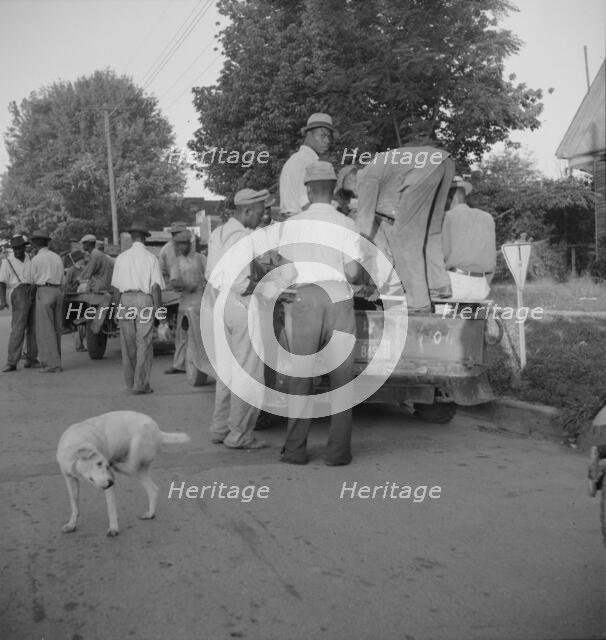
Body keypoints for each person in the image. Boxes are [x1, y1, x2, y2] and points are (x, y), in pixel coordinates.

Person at [274, 161, 362, 466]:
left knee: (301, 379)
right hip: (339, 299)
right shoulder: (347, 224)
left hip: (305, 299)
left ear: (308, 190)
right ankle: (338, 453)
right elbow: (352, 272)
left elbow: (284, 270)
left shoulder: (293, 224)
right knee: (341, 379)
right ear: (334, 188)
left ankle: (296, 450)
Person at [355, 136, 455, 312]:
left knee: (404, 238)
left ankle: (417, 301)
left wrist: (357, 266)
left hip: (426, 167)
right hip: (444, 162)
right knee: (430, 233)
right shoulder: (385, 173)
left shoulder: (365, 177)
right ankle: (438, 285)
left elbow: (363, 226)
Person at [205, 188, 270, 449]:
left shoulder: (218, 233)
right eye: (260, 213)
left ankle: (220, 429)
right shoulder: (244, 237)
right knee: (249, 373)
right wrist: (268, 286)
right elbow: (243, 284)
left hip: (219, 303)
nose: (262, 218)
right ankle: (240, 434)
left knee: (227, 372)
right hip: (240, 305)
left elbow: (211, 273)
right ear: (247, 211)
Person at [111, 220, 164, 394]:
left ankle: (129, 383)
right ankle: (141, 384)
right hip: (144, 300)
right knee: (144, 342)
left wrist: (115, 309)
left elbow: (116, 288)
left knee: (128, 343)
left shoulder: (121, 258)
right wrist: (160, 313)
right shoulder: (151, 258)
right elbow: (155, 288)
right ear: (144, 238)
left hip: (125, 299)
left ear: (132, 238)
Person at [442, 177, 496, 300]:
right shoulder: (487, 217)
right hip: (481, 287)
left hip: (456, 284)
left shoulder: (448, 217)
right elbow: (493, 261)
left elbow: (441, 255)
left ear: (450, 198)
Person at [164, 229, 207, 374]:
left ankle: (202, 364)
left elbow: (210, 277)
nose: (181, 247)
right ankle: (179, 364)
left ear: (189, 244)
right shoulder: (176, 262)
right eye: (178, 244)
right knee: (182, 335)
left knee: (200, 335)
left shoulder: (200, 258)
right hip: (184, 303)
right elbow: (174, 281)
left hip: (200, 303)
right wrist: (184, 285)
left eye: (183, 244)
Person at [279, 113, 335, 216]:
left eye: (329, 137)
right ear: (309, 135)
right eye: (322, 135)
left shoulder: (296, 159)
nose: (327, 141)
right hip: (301, 222)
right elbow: (306, 204)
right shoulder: (308, 163)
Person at [0, 235, 38, 371]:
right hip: (18, 292)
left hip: (32, 290)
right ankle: (12, 362)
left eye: (20, 248)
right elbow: (2, 282)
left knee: (33, 328)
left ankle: (31, 359)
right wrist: (2, 300)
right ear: (12, 249)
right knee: (18, 328)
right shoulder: (7, 262)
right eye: (15, 248)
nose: (18, 251)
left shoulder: (30, 258)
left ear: (24, 247)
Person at [29, 230, 64, 373]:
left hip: (44, 291)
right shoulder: (57, 257)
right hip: (57, 291)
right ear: (46, 242)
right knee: (56, 328)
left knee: (45, 329)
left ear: (36, 243)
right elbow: (63, 278)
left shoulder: (36, 259)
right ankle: (57, 361)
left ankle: (51, 364)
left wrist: (31, 296)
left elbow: (31, 280)